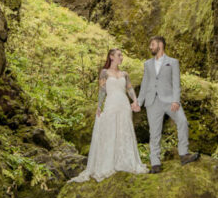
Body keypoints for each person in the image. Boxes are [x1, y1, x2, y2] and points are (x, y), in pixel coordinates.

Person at [71, 48, 147, 182]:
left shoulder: (125, 74)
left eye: (122, 55)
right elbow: (102, 90)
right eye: (119, 55)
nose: (121, 57)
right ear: (111, 57)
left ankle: (125, 161)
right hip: (111, 103)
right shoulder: (104, 73)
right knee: (111, 131)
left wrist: (135, 100)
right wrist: (99, 106)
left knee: (124, 131)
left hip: (124, 104)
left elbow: (129, 89)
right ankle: (109, 163)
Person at [136, 36, 199, 173]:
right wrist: (139, 102)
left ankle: (184, 154)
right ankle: (155, 163)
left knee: (182, 121)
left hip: (170, 100)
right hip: (152, 101)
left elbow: (176, 83)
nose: (150, 47)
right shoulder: (147, 64)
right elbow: (145, 84)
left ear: (160, 45)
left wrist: (176, 100)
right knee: (154, 133)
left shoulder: (173, 62)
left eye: (152, 44)